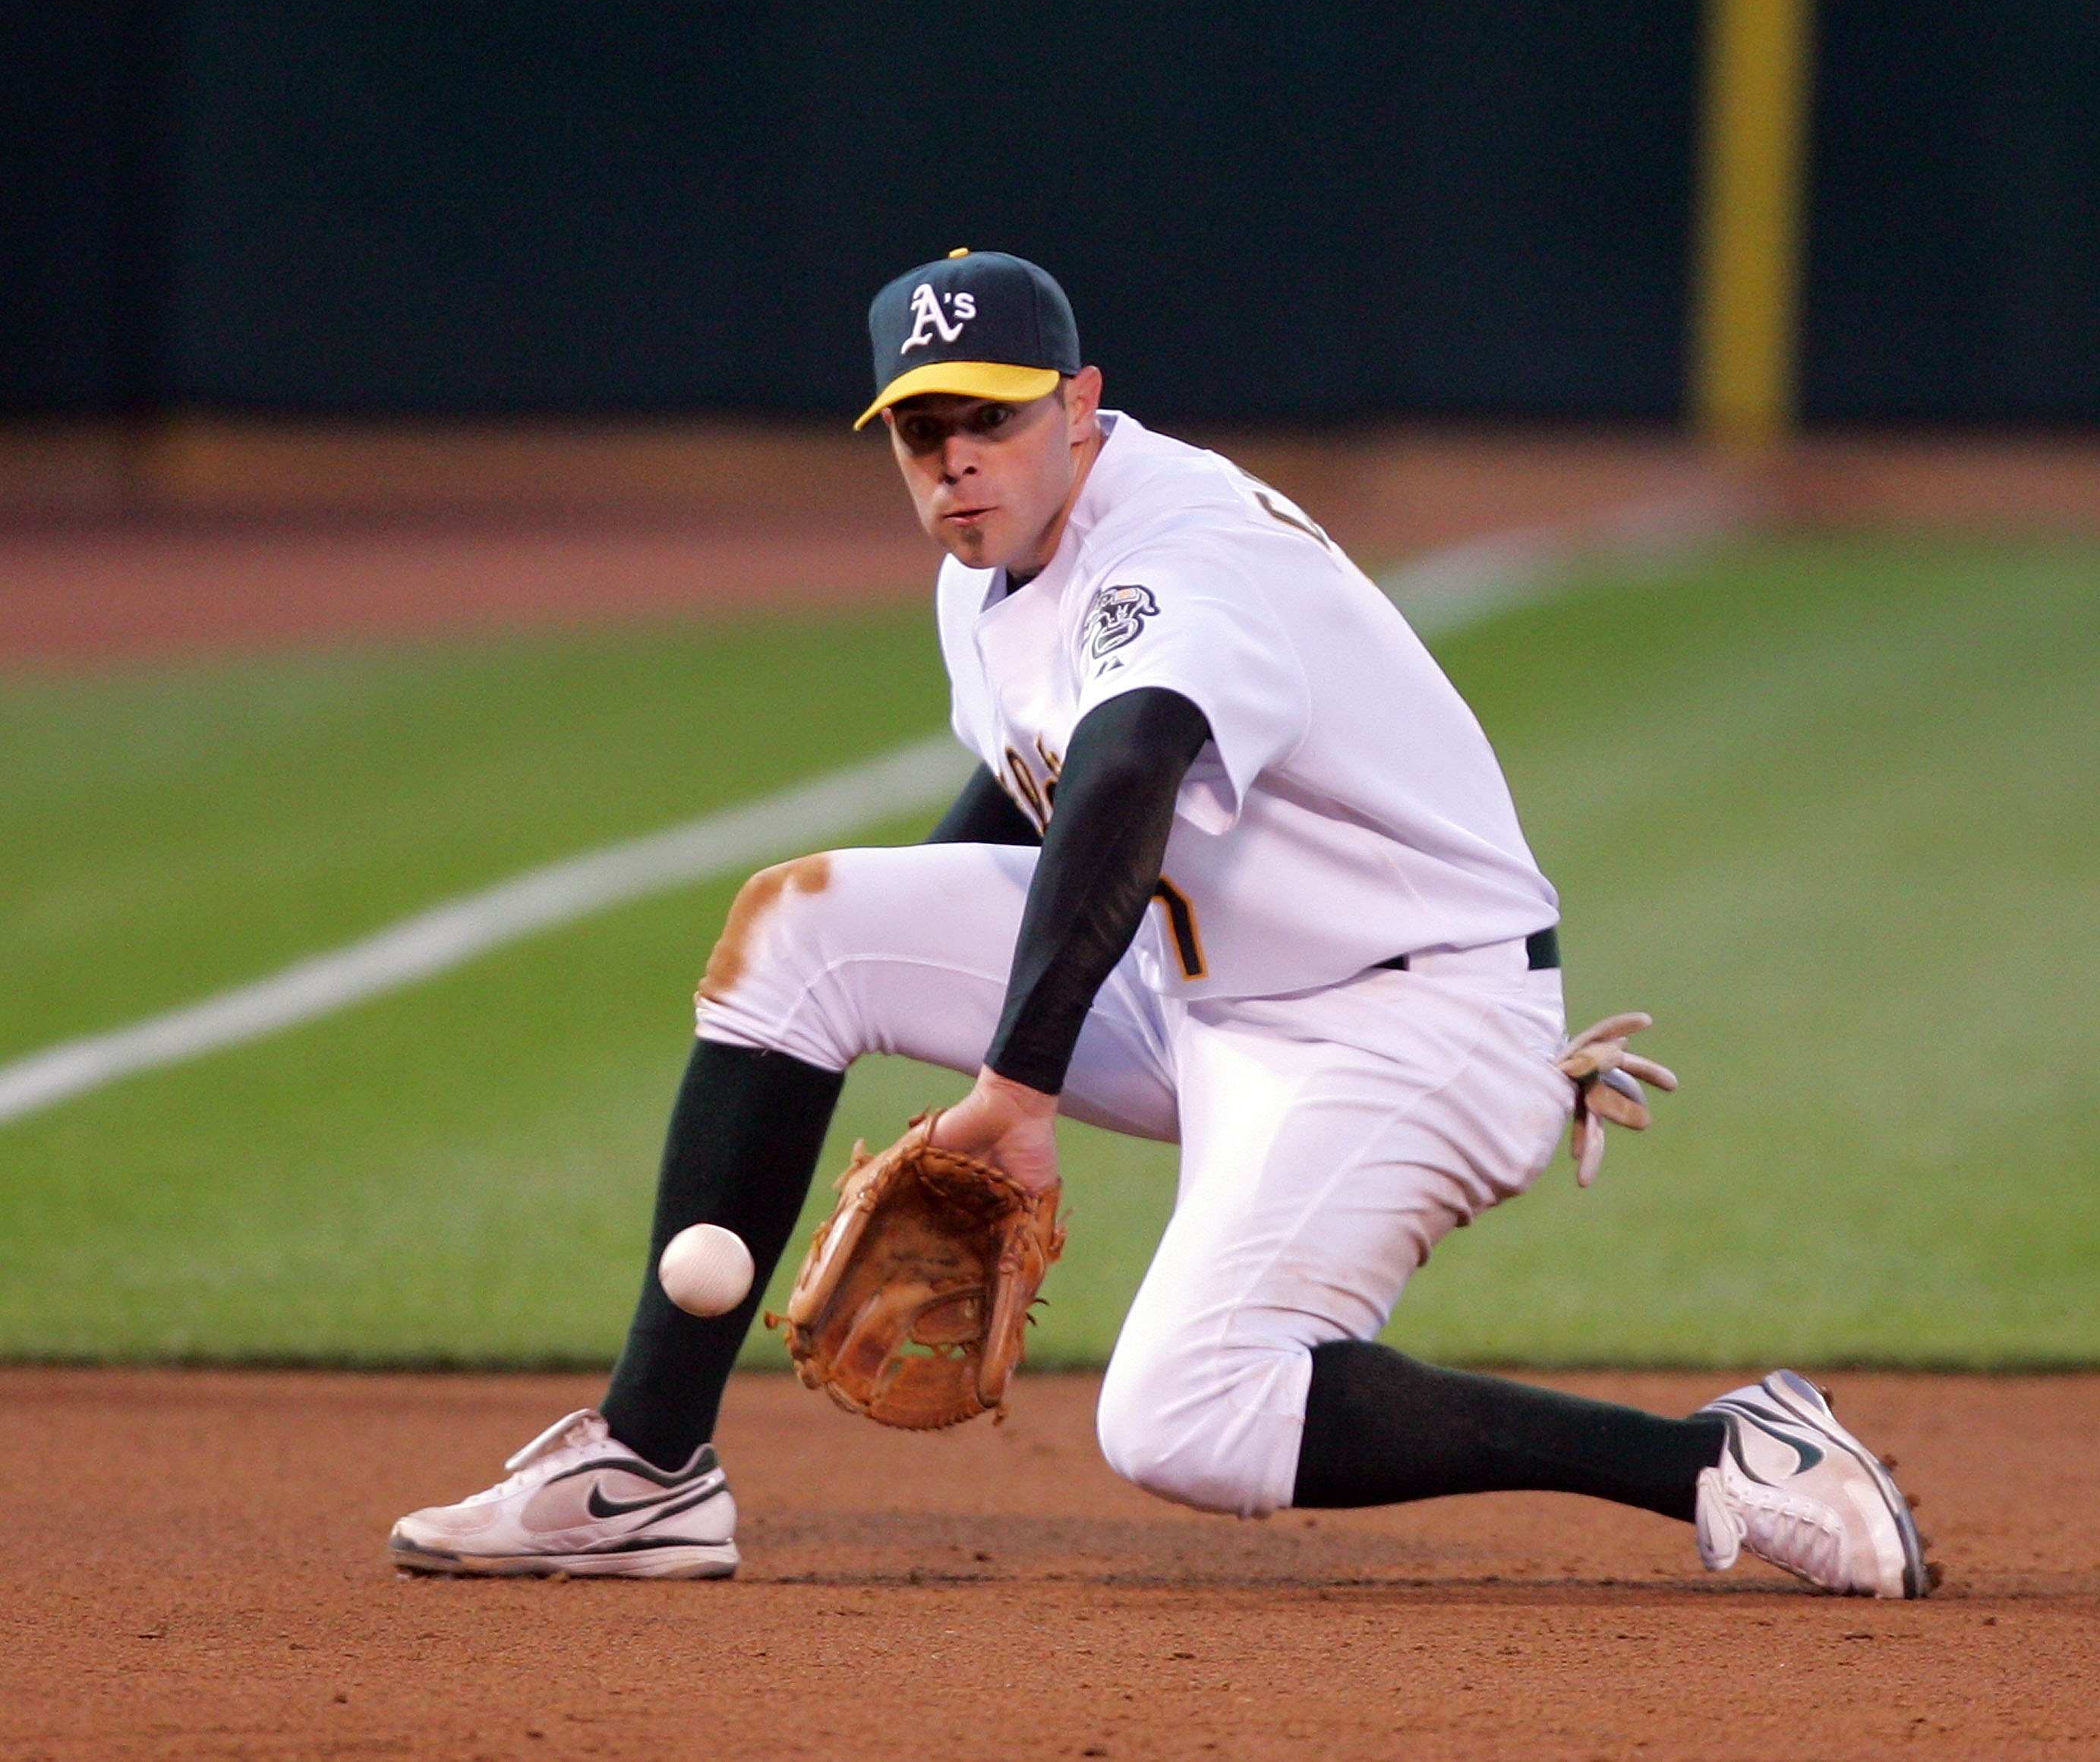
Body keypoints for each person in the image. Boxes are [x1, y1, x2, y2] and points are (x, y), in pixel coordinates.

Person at [390, 251, 1929, 1597]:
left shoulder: (1180, 548)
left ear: (1081, 402)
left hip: (1410, 1023)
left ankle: (1726, 1453)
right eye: (922, 435)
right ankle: (647, 1472)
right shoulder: (987, 566)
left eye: (991, 418)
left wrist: (1016, 1083)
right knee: (802, 930)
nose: (956, 465)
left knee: (1181, 1415)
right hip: (1217, 993)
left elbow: (1124, 773)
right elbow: (1035, 791)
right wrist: (941, 993)